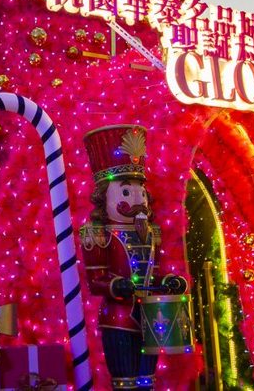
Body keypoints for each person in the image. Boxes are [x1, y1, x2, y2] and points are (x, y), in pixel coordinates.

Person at [79, 125, 188, 391]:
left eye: (140, 191)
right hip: (119, 320)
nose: (138, 198)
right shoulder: (98, 235)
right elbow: (96, 281)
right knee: (125, 383)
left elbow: (154, 274)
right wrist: (118, 285)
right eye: (126, 192)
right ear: (104, 198)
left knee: (146, 382)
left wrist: (171, 281)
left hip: (152, 319)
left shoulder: (150, 234)